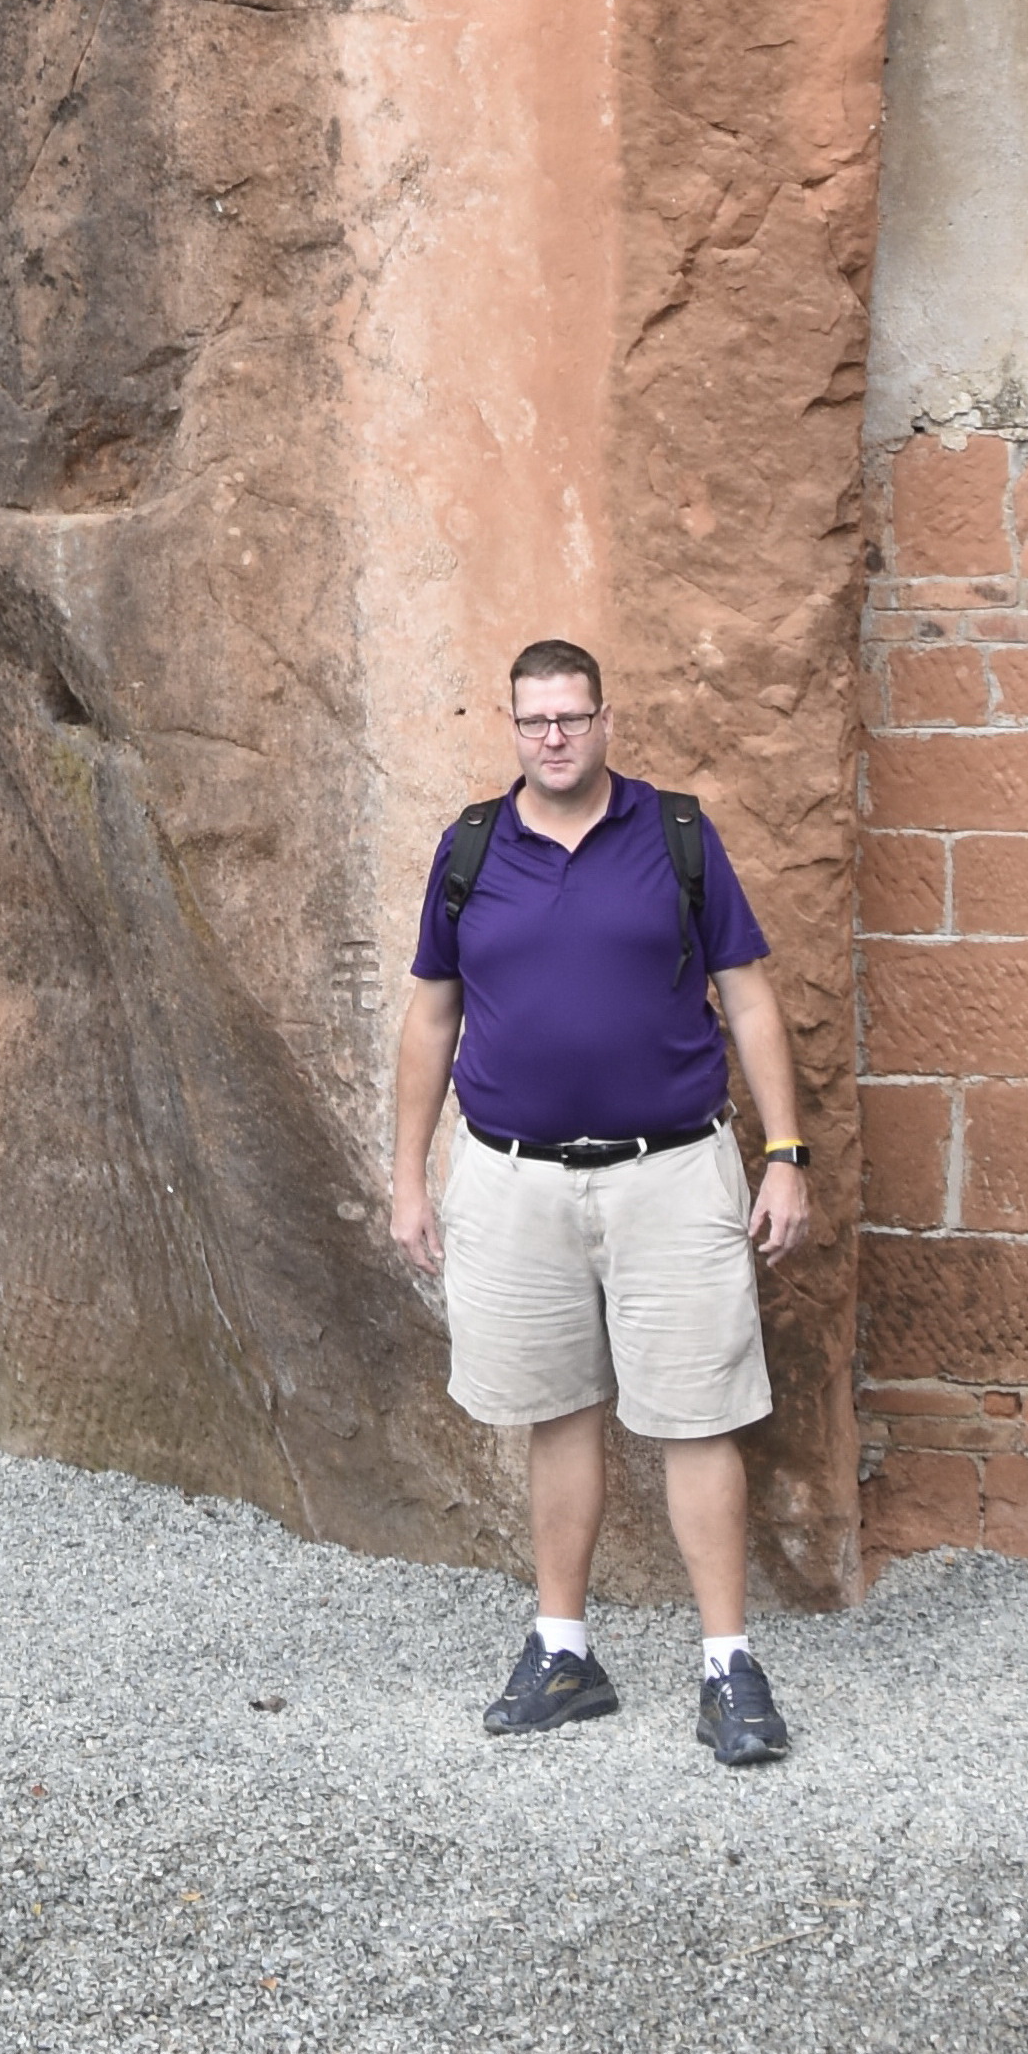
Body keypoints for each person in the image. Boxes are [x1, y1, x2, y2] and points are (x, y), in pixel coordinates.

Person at [389, 639, 811, 1767]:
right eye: (534, 722)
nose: (555, 738)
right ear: (512, 728)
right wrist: (404, 1179)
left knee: (697, 1413)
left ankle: (727, 1666)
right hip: (511, 1177)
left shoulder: (674, 835)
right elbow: (431, 1017)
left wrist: (787, 1152)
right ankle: (562, 1651)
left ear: (605, 720)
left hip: (670, 1171)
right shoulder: (471, 847)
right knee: (556, 1411)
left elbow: (749, 999)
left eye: (572, 717)